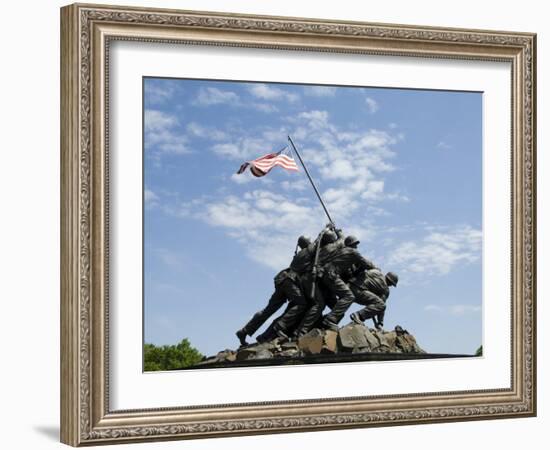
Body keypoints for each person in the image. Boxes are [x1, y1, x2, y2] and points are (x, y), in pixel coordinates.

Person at [235, 236, 312, 346]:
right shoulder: (307, 251)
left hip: (283, 280)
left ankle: (244, 331)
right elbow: (320, 239)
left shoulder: (301, 254)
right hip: (289, 281)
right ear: (307, 242)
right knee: (301, 304)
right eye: (309, 241)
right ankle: (280, 326)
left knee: (268, 310)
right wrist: (329, 230)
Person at [318, 235, 376, 331]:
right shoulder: (352, 252)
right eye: (355, 244)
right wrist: (375, 268)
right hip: (331, 275)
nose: (356, 247)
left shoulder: (341, 251)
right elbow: (366, 263)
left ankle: (323, 322)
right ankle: (329, 319)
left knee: (338, 304)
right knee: (349, 296)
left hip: (326, 274)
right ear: (352, 244)